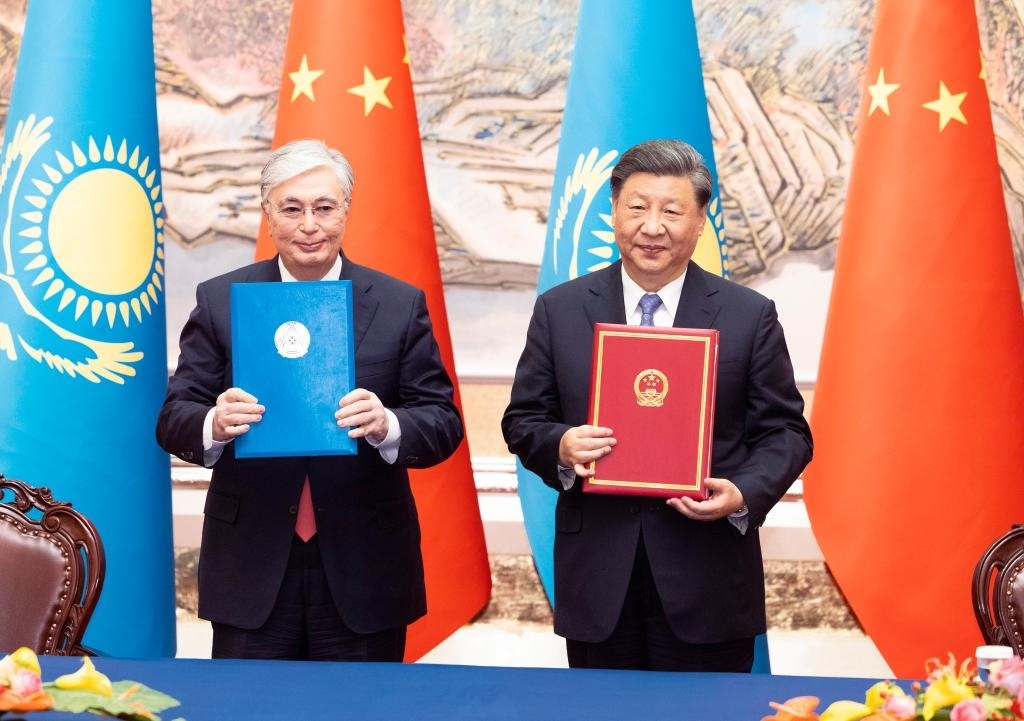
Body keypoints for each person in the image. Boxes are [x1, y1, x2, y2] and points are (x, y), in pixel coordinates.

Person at [501, 139, 812, 672]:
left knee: (707, 711)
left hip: (707, 576)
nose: (652, 226)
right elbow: (523, 420)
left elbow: (787, 432)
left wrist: (742, 492)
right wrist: (562, 445)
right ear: (614, 211)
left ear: (700, 221)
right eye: (638, 207)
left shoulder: (748, 315)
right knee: (603, 710)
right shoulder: (560, 309)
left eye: (672, 211)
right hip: (599, 579)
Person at [156, 139, 463, 662]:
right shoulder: (221, 299)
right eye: (291, 209)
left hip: (365, 566)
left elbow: (442, 421)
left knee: (358, 704)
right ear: (267, 213)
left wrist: (387, 424)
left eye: (324, 208)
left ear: (346, 210)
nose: (309, 225)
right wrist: (214, 422)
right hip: (251, 563)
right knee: (249, 704)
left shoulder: (398, 303)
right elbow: (174, 417)